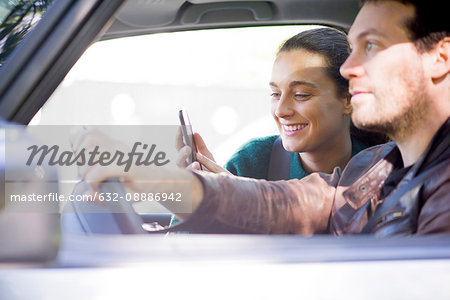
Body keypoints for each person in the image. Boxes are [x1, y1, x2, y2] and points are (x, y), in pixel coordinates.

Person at [74, 0, 450, 235]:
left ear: (439, 58)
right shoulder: (374, 167)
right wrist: (164, 179)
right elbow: (291, 205)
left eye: (371, 46)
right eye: (351, 50)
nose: (350, 68)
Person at [177, 28, 386, 181]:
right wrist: (206, 199)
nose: (280, 111)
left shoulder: (386, 168)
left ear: (349, 100)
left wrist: (244, 202)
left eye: (301, 95)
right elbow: (180, 239)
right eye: (275, 93)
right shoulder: (252, 162)